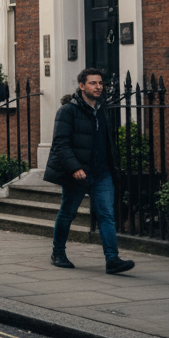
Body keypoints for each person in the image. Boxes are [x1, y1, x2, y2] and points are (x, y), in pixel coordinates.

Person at [45, 69, 135, 274]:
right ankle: (58, 252)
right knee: (68, 213)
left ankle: (112, 259)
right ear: (82, 86)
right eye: (93, 83)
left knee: (106, 215)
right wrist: (74, 167)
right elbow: (61, 143)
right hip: (78, 172)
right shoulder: (68, 110)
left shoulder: (103, 109)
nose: (98, 87)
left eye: (100, 83)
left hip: (101, 172)